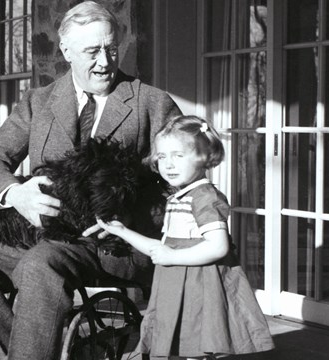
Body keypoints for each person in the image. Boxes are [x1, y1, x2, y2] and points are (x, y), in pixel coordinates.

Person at [0, 2, 181, 359]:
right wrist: (15, 194)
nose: (105, 62)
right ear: (65, 51)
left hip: (110, 244)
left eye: (111, 49)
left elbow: (177, 188)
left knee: (39, 265)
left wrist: (128, 221)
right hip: (41, 233)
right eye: (92, 52)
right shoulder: (38, 102)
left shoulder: (152, 104)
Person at [96, 115, 275, 359]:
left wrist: (173, 255)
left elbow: (218, 246)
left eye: (178, 156)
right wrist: (121, 231)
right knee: (183, 344)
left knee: (197, 344)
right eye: (162, 157)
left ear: (204, 156)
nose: (168, 165)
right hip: (175, 282)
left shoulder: (204, 197)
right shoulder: (179, 196)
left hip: (201, 284)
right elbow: (160, 249)